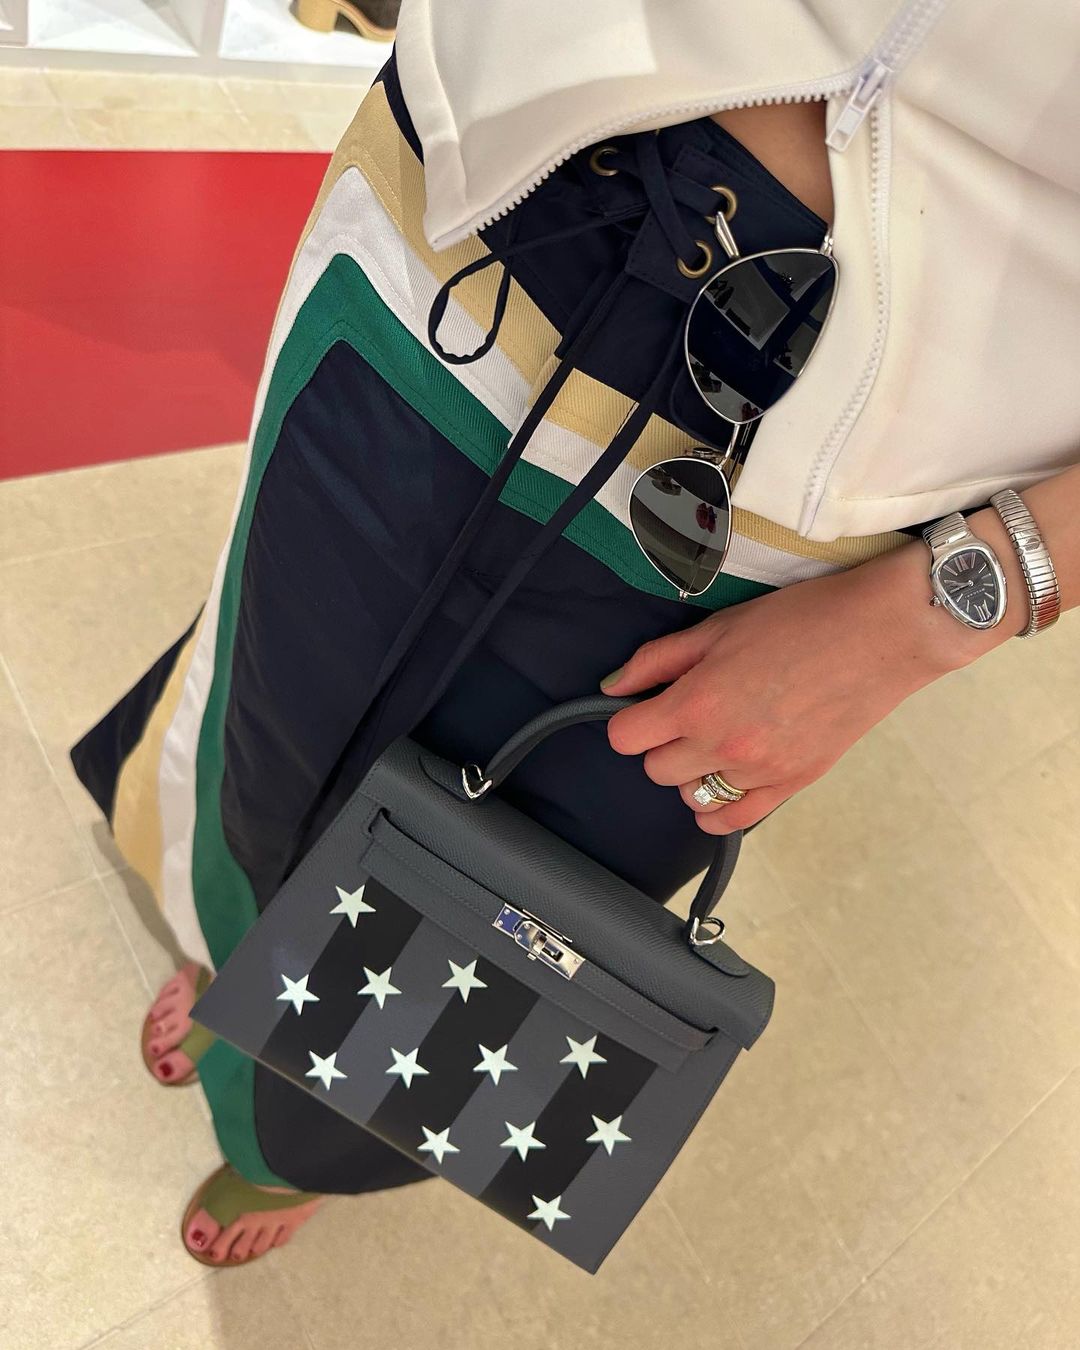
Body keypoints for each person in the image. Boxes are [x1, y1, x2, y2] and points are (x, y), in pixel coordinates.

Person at [72, 2, 1079, 1266]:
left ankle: (293, 1146)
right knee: (273, 720)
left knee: (488, 913)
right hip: (475, 207)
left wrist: (950, 605)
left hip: (824, 488)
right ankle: (226, 950)